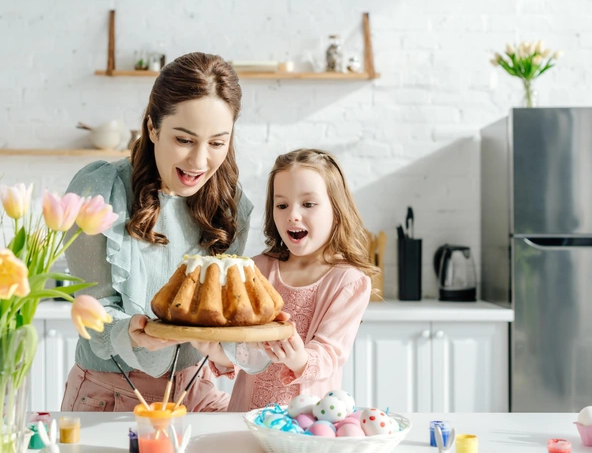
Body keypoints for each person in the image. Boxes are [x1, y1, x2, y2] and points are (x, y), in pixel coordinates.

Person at [60, 52, 259, 412]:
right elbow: (92, 312)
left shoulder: (230, 205)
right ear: (152, 127)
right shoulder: (100, 191)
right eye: (184, 139)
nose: (200, 162)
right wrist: (128, 332)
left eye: (217, 143)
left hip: (196, 392)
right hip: (112, 395)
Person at [226, 148, 376, 411]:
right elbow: (240, 347)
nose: (292, 215)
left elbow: (330, 353)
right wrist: (218, 348)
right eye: (282, 205)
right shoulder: (256, 270)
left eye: (308, 204)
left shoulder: (348, 282)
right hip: (246, 416)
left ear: (337, 211)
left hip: (308, 422)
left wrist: (299, 358)